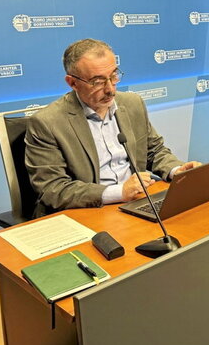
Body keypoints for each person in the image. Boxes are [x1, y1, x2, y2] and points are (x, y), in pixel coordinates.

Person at [25, 38, 200, 217]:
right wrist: (119, 192)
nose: (110, 89)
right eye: (97, 82)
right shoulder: (47, 123)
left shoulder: (132, 103)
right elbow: (53, 189)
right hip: (88, 211)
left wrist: (177, 171)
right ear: (72, 83)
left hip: (136, 202)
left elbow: (153, 151)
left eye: (113, 76)